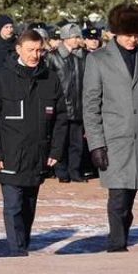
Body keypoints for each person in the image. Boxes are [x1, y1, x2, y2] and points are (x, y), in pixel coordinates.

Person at [82, 3, 138, 252]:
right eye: (128, 34)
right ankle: (116, 245)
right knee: (118, 197)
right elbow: (91, 105)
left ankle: (121, 237)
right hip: (113, 140)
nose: (132, 39)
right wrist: (96, 144)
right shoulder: (98, 60)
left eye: (136, 34)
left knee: (129, 198)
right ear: (115, 32)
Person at [0, 29, 69, 256]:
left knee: (28, 207)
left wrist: (56, 150)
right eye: (31, 50)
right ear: (19, 49)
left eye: (39, 50)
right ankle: (16, 251)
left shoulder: (50, 78)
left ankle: (22, 245)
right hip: (9, 155)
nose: (35, 55)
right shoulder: (0, 78)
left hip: (37, 155)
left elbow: (60, 118)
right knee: (13, 206)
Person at [47, 24, 88, 183]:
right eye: (75, 37)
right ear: (66, 38)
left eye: (79, 36)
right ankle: (61, 171)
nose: (79, 40)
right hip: (61, 106)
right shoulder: (53, 57)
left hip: (79, 106)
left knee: (76, 143)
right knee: (61, 142)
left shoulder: (83, 56)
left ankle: (75, 171)